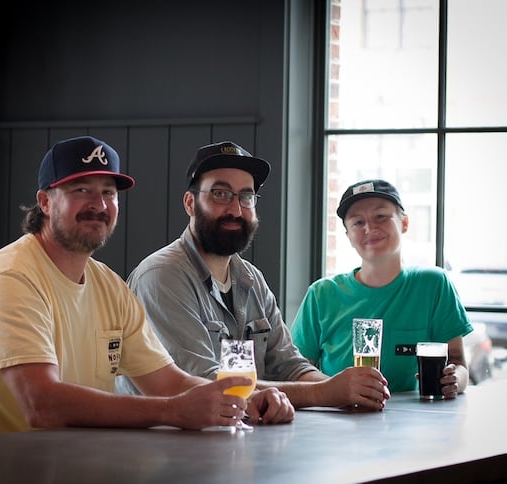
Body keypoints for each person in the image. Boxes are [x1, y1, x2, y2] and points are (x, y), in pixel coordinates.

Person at [0, 136, 295, 439]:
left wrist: (244, 401)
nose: (99, 204)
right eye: (81, 189)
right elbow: (40, 404)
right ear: (45, 202)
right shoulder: (10, 278)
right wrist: (173, 412)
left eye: (109, 192)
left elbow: (169, 382)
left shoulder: (108, 285)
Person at [118, 141, 390, 411]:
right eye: (220, 194)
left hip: (234, 439)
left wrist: (347, 391)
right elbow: (204, 383)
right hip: (165, 446)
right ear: (190, 203)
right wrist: (324, 392)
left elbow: (289, 366)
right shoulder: (162, 276)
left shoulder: (250, 278)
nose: (235, 210)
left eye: (245, 197)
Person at [290, 179, 473, 397]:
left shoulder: (433, 284)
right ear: (348, 235)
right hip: (341, 418)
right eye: (358, 222)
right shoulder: (321, 294)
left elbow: (458, 363)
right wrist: (337, 392)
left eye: (380, 217)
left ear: (404, 223)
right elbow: (296, 371)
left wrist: (454, 381)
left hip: (418, 422)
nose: (370, 228)